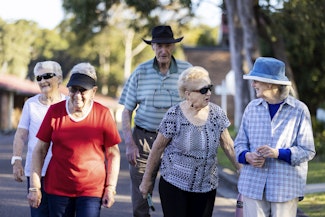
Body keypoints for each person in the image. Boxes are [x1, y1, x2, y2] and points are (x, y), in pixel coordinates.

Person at [139, 66, 242, 217]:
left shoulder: (217, 114)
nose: (208, 93)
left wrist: (242, 171)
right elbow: (158, 148)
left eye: (209, 88)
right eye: (203, 90)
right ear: (188, 94)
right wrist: (147, 180)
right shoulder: (174, 115)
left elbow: (228, 146)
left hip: (207, 186)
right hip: (175, 184)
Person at [27, 62, 121, 217]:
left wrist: (110, 187)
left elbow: (113, 154)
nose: (77, 95)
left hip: (91, 189)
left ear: (93, 92)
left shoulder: (103, 114)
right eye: (73, 89)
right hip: (58, 188)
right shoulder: (54, 112)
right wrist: (34, 187)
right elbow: (39, 150)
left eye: (83, 90)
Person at [119, 25, 192, 217]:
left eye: (167, 45)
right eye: (159, 45)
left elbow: (198, 105)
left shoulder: (187, 71)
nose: (163, 50)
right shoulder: (140, 72)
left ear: (173, 46)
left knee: (176, 194)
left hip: (176, 142)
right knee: (142, 196)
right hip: (144, 140)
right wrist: (129, 143)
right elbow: (126, 110)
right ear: (152, 46)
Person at [234, 57, 316, 217]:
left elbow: (307, 150)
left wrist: (277, 153)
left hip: (285, 187)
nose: (253, 85)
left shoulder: (299, 110)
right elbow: (239, 143)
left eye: (256, 80)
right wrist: (247, 156)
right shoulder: (251, 108)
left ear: (270, 84)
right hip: (252, 184)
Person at [12, 61, 66, 217]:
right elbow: (21, 134)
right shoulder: (30, 104)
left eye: (48, 76)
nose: (43, 81)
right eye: (39, 77)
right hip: (36, 172)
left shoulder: (68, 105)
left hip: (62, 172)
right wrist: (16, 160)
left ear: (60, 78)